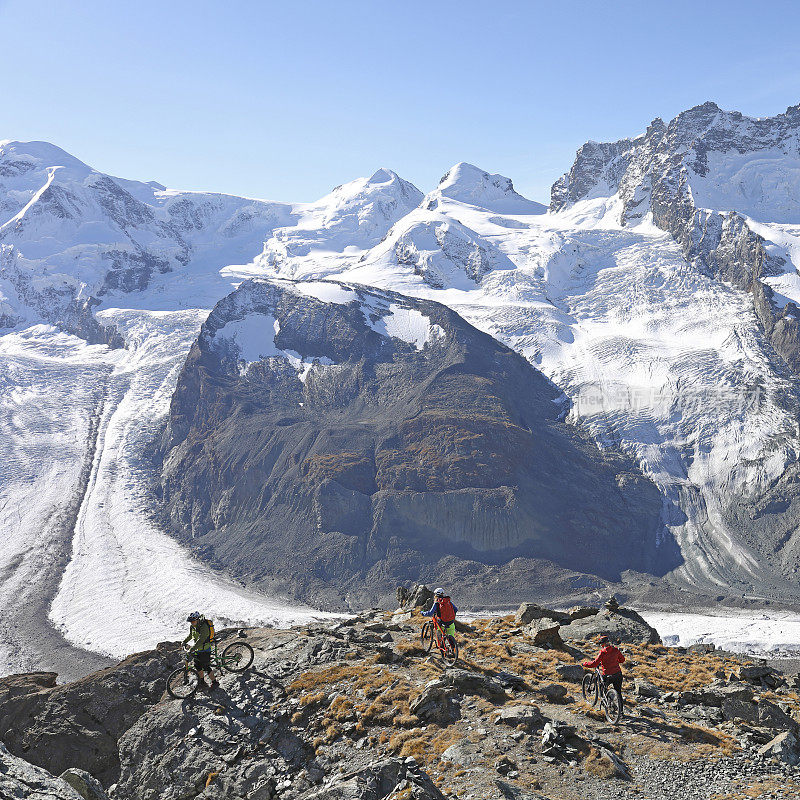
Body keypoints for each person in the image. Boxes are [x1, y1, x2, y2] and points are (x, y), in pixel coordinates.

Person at [582, 634, 626, 716]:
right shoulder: (616, 650)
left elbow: (594, 663)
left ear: (602, 644)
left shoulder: (602, 652)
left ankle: (607, 704)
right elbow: (622, 660)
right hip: (618, 674)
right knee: (618, 692)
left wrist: (585, 664)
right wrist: (615, 661)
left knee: (602, 689)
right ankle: (621, 712)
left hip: (608, 675)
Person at [183, 611, 218, 689]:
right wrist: (184, 641)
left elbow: (201, 640)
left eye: (193, 621)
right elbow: (191, 635)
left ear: (198, 619)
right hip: (198, 649)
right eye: (191, 622)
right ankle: (202, 682)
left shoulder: (204, 627)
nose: (192, 623)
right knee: (197, 666)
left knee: (206, 667)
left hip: (205, 649)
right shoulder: (193, 626)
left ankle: (215, 682)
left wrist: (192, 649)